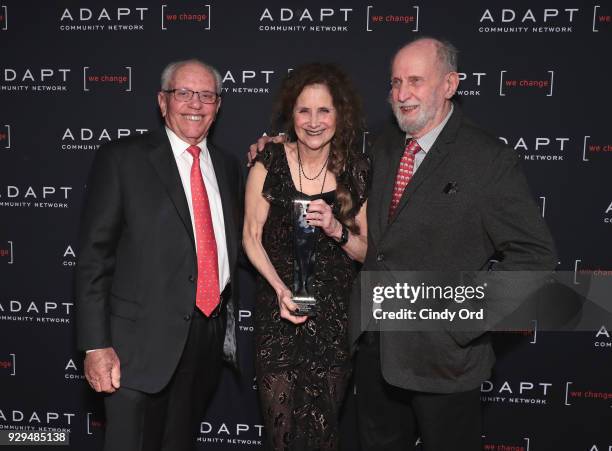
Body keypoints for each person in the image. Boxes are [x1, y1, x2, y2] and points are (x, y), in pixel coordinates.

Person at [349, 37, 557, 450]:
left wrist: (463, 321)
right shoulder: (385, 144)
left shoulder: (487, 159)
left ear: (449, 84)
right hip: (375, 353)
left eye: (415, 81)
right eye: (394, 82)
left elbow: (536, 257)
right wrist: (277, 151)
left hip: (445, 361)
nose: (401, 94)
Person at [75, 59, 243, 451]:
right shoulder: (122, 159)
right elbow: (93, 259)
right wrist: (96, 345)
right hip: (135, 349)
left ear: (218, 105)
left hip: (204, 339)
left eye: (206, 95)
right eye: (183, 93)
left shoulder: (228, 166)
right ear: (162, 101)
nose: (195, 104)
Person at [243, 63, 370, 451]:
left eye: (324, 111)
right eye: (304, 110)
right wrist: (281, 290)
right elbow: (250, 236)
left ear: (339, 115)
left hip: (332, 320)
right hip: (277, 315)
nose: (313, 122)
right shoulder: (269, 163)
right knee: (280, 435)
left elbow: (366, 250)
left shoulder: (356, 170)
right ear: (291, 114)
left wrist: (336, 230)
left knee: (323, 433)